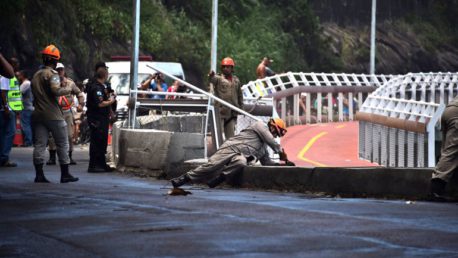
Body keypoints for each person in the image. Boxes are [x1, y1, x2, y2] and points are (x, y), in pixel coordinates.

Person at [171, 118, 295, 189]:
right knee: (211, 165)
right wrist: (281, 153)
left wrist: (282, 164)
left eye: (276, 135)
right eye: (275, 133)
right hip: (231, 147)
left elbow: (267, 163)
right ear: (272, 127)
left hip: (240, 155)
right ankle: (184, 179)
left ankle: (218, 179)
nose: (275, 136)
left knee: (241, 162)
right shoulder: (260, 125)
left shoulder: (263, 149)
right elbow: (271, 141)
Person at [31, 44, 78, 183]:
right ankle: (65, 174)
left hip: (38, 114)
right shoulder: (53, 75)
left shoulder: (36, 75)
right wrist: (69, 88)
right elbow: (56, 90)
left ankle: (39, 175)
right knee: (63, 143)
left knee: (40, 144)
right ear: (55, 61)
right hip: (54, 115)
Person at [46, 63, 84, 165]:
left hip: (67, 112)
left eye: (61, 70)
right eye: (57, 70)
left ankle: (69, 157)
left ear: (64, 70)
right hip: (55, 111)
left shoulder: (70, 83)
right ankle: (52, 157)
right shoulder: (51, 82)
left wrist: (81, 104)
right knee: (52, 136)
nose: (59, 72)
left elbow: (79, 93)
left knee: (69, 135)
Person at [86, 61, 116, 173]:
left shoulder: (103, 86)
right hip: (96, 118)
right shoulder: (95, 87)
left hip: (102, 118)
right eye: (107, 72)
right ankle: (93, 165)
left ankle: (102, 164)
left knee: (102, 141)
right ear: (104, 74)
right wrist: (111, 101)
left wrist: (111, 110)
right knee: (96, 141)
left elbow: (106, 99)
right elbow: (100, 103)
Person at [208, 57, 243, 140]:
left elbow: (240, 96)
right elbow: (212, 79)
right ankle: (218, 152)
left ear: (232, 68)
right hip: (221, 112)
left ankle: (229, 152)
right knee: (218, 136)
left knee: (231, 138)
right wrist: (211, 76)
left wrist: (241, 108)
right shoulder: (219, 79)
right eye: (223, 67)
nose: (225, 68)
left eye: (227, 67)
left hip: (232, 113)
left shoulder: (236, 80)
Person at [430, 96, 458, 200]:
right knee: (451, 152)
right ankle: (436, 189)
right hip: (455, 115)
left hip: (450, 110)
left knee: (449, 151)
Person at [0, 57, 22, 167]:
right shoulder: (6, 75)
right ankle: (4, 158)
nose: (17, 65)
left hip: (9, 108)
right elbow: (3, 92)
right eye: (16, 63)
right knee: (10, 133)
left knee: (4, 133)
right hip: (7, 109)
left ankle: (3, 157)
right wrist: (6, 108)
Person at [17, 70, 34, 146]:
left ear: (23, 75)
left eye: (20, 75)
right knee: (28, 124)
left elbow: (18, 93)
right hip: (29, 106)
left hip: (26, 107)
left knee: (25, 125)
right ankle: (28, 140)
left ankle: (28, 141)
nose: (18, 76)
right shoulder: (28, 83)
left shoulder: (26, 83)